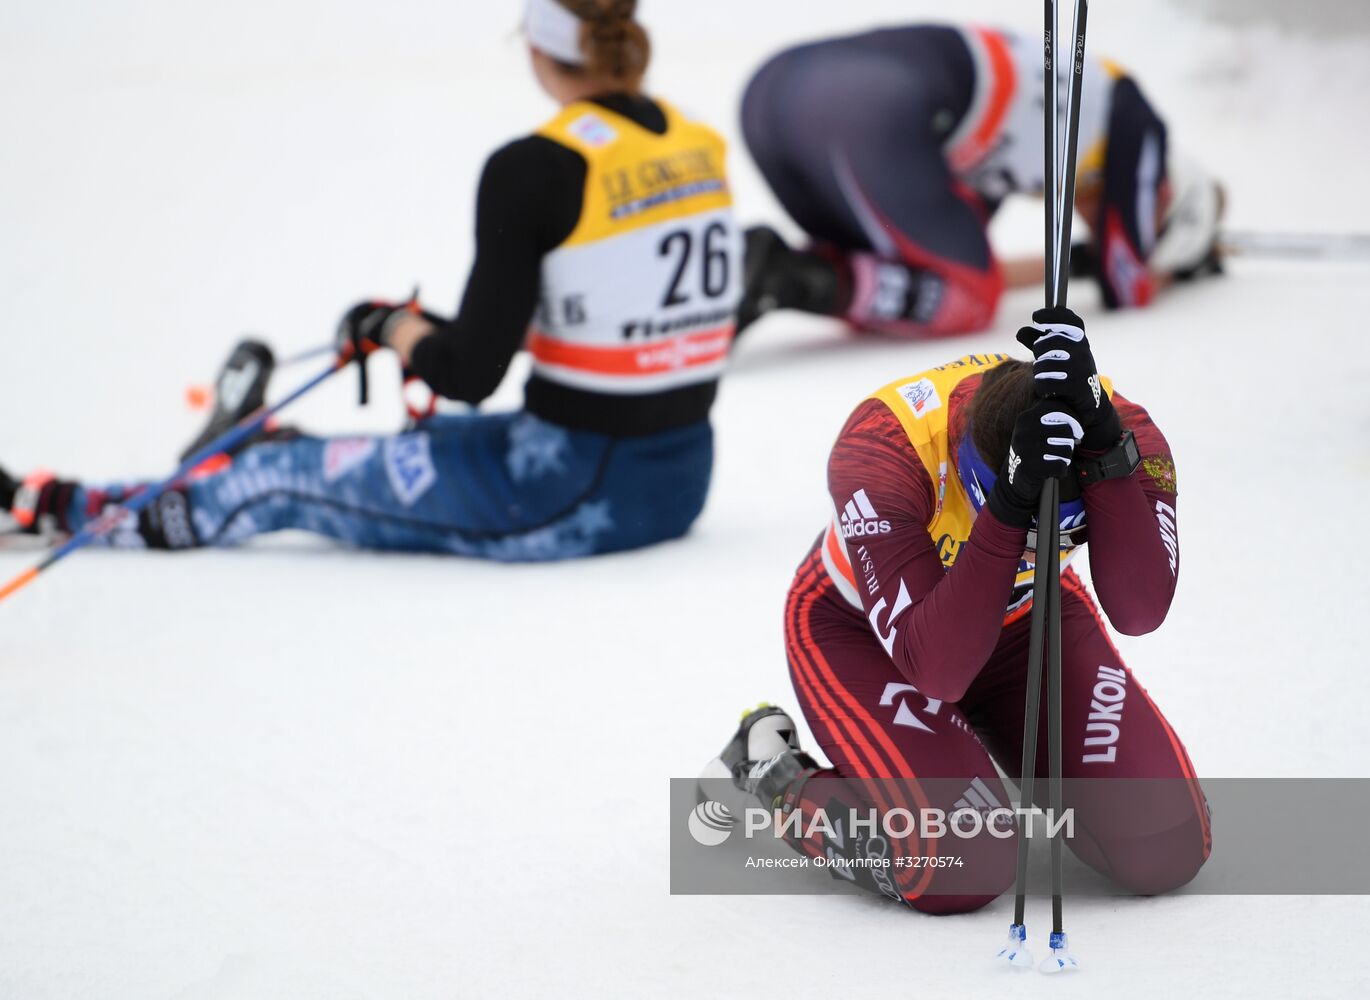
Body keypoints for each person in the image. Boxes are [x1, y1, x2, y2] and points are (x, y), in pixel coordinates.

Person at [0, 0, 743, 561]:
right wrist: (419, 333)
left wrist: (389, 328)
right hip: (676, 476)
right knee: (427, 441)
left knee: (277, 486)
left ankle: (62, 505)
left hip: (569, 491)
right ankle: (265, 445)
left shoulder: (534, 168)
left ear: (542, 53)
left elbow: (469, 372)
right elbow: (621, 314)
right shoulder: (696, 142)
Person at [700, 307, 1210, 913]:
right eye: (1028, 535)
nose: (1034, 548)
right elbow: (934, 668)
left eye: (1054, 539)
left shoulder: (1123, 431)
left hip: (1026, 619)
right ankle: (769, 771)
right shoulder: (883, 444)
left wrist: (1108, 456)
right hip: (868, 636)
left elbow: (1140, 608)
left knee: (1166, 846)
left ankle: (961, 770)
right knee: (961, 863)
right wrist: (1010, 509)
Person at [734, 24, 1225, 339]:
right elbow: (1128, 285)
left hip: (776, 95)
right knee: (972, 304)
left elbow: (958, 263)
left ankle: (762, 277)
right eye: (1154, 227)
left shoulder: (1029, 150)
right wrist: (1176, 271)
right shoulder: (1138, 128)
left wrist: (1077, 263)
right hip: (865, 112)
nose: (1107, 229)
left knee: (901, 275)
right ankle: (784, 280)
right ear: (1166, 196)